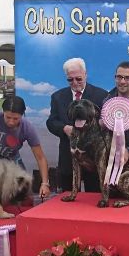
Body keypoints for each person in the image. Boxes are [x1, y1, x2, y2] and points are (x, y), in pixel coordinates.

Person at [46, 57, 108, 192]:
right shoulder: (57, 97)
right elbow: (51, 122)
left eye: (78, 79)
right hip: (68, 158)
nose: (74, 82)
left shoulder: (101, 95)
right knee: (69, 202)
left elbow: (106, 123)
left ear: (85, 74)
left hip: (93, 159)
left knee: (94, 200)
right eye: (70, 79)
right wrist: (64, 128)